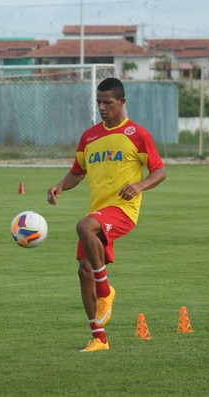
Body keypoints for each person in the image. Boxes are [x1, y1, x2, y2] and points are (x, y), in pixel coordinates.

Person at [47, 77, 166, 352]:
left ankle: (105, 291)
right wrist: (59, 185)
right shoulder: (89, 136)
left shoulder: (137, 134)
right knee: (83, 270)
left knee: (84, 227)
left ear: (122, 102)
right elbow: (78, 172)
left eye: (108, 102)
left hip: (123, 210)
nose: (102, 107)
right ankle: (99, 339)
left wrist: (138, 186)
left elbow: (160, 170)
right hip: (98, 213)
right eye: (99, 102)